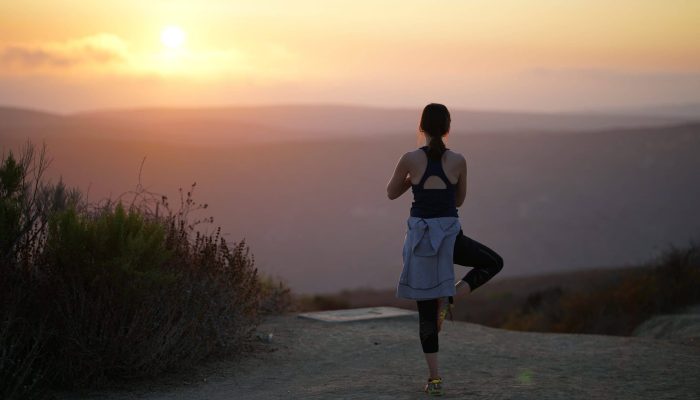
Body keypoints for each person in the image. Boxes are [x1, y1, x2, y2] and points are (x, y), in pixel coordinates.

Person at [386, 103, 504, 396]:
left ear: (421, 127)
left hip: (421, 242)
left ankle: (435, 379)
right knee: (492, 262)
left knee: (425, 312)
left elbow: (391, 192)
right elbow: (459, 200)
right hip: (450, 239)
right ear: (448, 128)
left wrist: (413, 179)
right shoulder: (459, 160)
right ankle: (452, 295)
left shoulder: (410, 158)